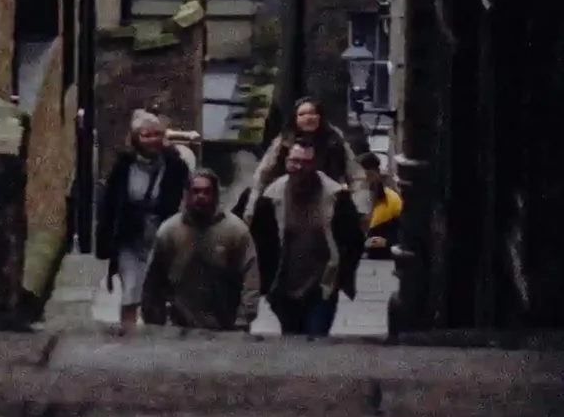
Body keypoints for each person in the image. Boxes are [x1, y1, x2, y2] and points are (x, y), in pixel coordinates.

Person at [249, 137, 365, 338]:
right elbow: (259, 243)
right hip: (284, 289)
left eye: (305, 162)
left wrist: (341, 276)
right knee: (291, 340)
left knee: (316, 339)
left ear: (316, 164)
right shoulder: (271, 197)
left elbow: (353, 240)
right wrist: (266, 283)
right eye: (294, 161)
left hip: (321, 289)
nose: (298, 167)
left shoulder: (336, 198)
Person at [94, 111, 193, 330]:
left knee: (156, 293)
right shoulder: (123, 166)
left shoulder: (175, 165)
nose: (152, 140)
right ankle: (128, 338)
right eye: (146, 135)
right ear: (136, 137)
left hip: (161, 237)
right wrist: (105, 241)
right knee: (131, 290)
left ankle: (153, 336)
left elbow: (187, 196)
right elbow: (109, 204)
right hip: (130, 238)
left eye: (157, 134)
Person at [139, 167, 261, 332]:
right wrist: (153, 321)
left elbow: (250, 278)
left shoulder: (236, 231)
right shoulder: (169, 231)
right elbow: (153, 280)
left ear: (215, 195)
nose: (201, 197)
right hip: (178, 328)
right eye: (196, 191)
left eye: (206, 192)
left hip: (226, 327)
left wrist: (243, 320)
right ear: (187, 194)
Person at [237, 93, 353, 212]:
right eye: (302, 114)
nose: (308, 118)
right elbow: (263, 174)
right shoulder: (283, 140)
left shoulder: (335, 141)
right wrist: (251, 208)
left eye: (312, 113)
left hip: (326, 198)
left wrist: (361, 210)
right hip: (287, 196)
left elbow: (355, 174)